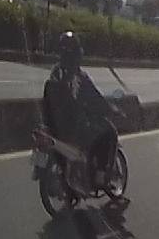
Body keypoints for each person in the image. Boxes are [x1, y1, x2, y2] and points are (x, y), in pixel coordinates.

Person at [41, 31, 119, 188]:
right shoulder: (78, 75)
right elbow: (95, 97)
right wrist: (111, 109)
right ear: (77, 54)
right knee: (108, 133)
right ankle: (100, 176)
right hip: (74, 126)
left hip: (53, 124)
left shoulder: (55, 72)